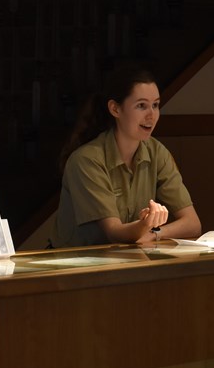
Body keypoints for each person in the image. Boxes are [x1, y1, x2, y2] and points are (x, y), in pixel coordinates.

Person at [50, 66, 201, 248]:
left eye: (155, 105)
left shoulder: (157, 152)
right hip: (74, 264)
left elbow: (193, 224)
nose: (151, 115)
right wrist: (145, 224)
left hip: (124, 260)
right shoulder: (86, 160)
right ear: (115, 109)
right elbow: (114, 232)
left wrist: (154, 233)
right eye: (141, 106)